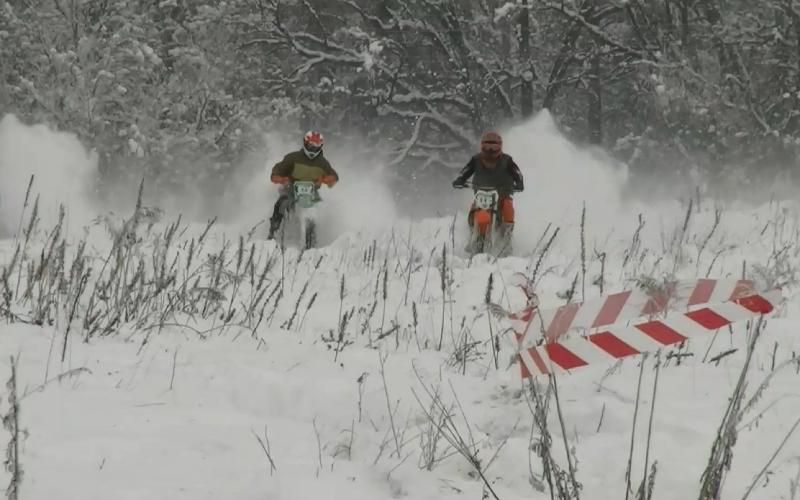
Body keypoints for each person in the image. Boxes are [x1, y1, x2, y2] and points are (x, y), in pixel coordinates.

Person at [268, 130, 339, 239]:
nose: (313, 149)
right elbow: (276, 171)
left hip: (312, 192)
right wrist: (282, 179)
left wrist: (324, 179)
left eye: (316, 147)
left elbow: (334, 177)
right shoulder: (292, 158)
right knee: (280, 204)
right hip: (290, 189)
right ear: (305, 143)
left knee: (321, 209)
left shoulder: (322, 163)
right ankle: (272, 233)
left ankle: (317, 239)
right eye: (311, 146)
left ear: (321, 147)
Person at [451, 130, 524, 233]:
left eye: (494, 147)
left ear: (500, 146)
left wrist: (519, 182)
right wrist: (460, 179)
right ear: (482, 146)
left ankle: (507, 236)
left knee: (507, 206)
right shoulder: (476, 159)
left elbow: (517, 173)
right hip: (481, 192)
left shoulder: (507, 160)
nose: (490, 150)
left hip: (502, 193)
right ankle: (472, 228)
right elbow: (466, 171)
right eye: (487, 146)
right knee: (476, 208)